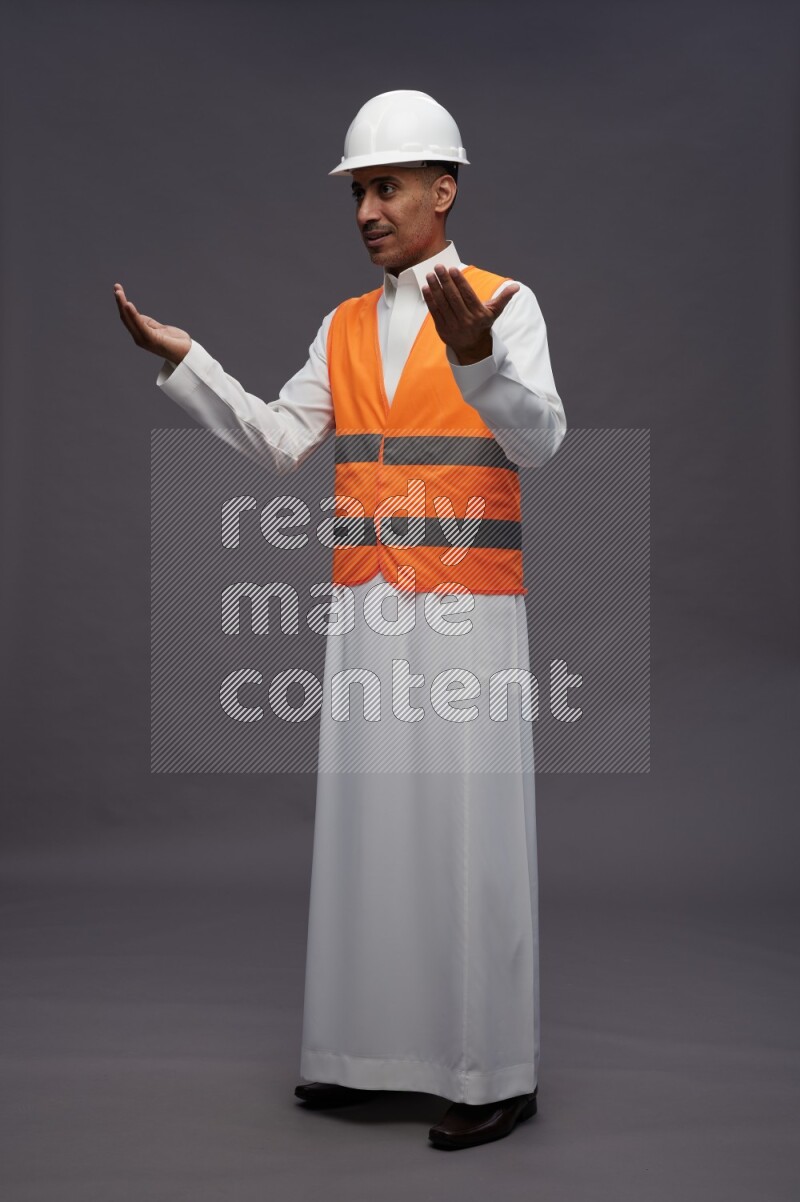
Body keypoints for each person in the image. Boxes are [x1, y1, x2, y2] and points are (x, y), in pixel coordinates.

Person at [114, 89, 567, 1150]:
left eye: (386, 186)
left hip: (465, 613)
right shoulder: (343, 325)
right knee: (371, 835)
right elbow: (281, 440)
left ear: (442, 189)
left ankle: (492, 1069)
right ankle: (361, 1055)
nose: (366, 208)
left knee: (470, 835)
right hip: (366, 607)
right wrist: (187, 359)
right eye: (358, 191)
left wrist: (479, 365)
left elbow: (541, 441)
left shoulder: (507, 303)